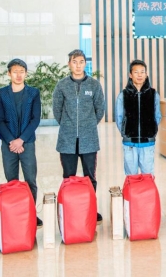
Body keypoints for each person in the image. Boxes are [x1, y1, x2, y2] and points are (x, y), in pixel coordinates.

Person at [53, 49, 105, 222]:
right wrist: (68, 125)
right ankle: (70, 210)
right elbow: (57, 110)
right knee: (69, 177)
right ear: (69, 64)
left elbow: (100, 109)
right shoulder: (61, 85)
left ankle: (90, 209)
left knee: (90, 177)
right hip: (67, 139)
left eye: (81, 62)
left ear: (85, 64)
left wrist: (88, 125)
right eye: (74, 62)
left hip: (89, 139)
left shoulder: (94, 85)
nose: (78, 65)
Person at [0, 59, 43, 226]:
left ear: (26, 73)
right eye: (15, 71)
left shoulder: (33, 93)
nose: (18, 75)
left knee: (30, 180)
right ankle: (15, 214)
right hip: (8, 144)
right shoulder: (2, 93)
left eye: (21, 71)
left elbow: (35, 119)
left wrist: (21, 140)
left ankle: (31, 213)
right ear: (9, 74)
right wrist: (12, 141)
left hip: (27, 142)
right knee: (12, 181)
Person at [115, 60, 161, 175]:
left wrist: (151, 131)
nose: (139, 75)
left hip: (148, 142)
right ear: (130, 75)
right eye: (136, 72)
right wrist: (126, 133)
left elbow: (157, 116)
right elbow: (119, 117)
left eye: (142, 72)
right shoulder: (123, 95)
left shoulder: (153, 94)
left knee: (148, 175)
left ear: (146, 74)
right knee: (131, 176)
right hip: (129, 143)